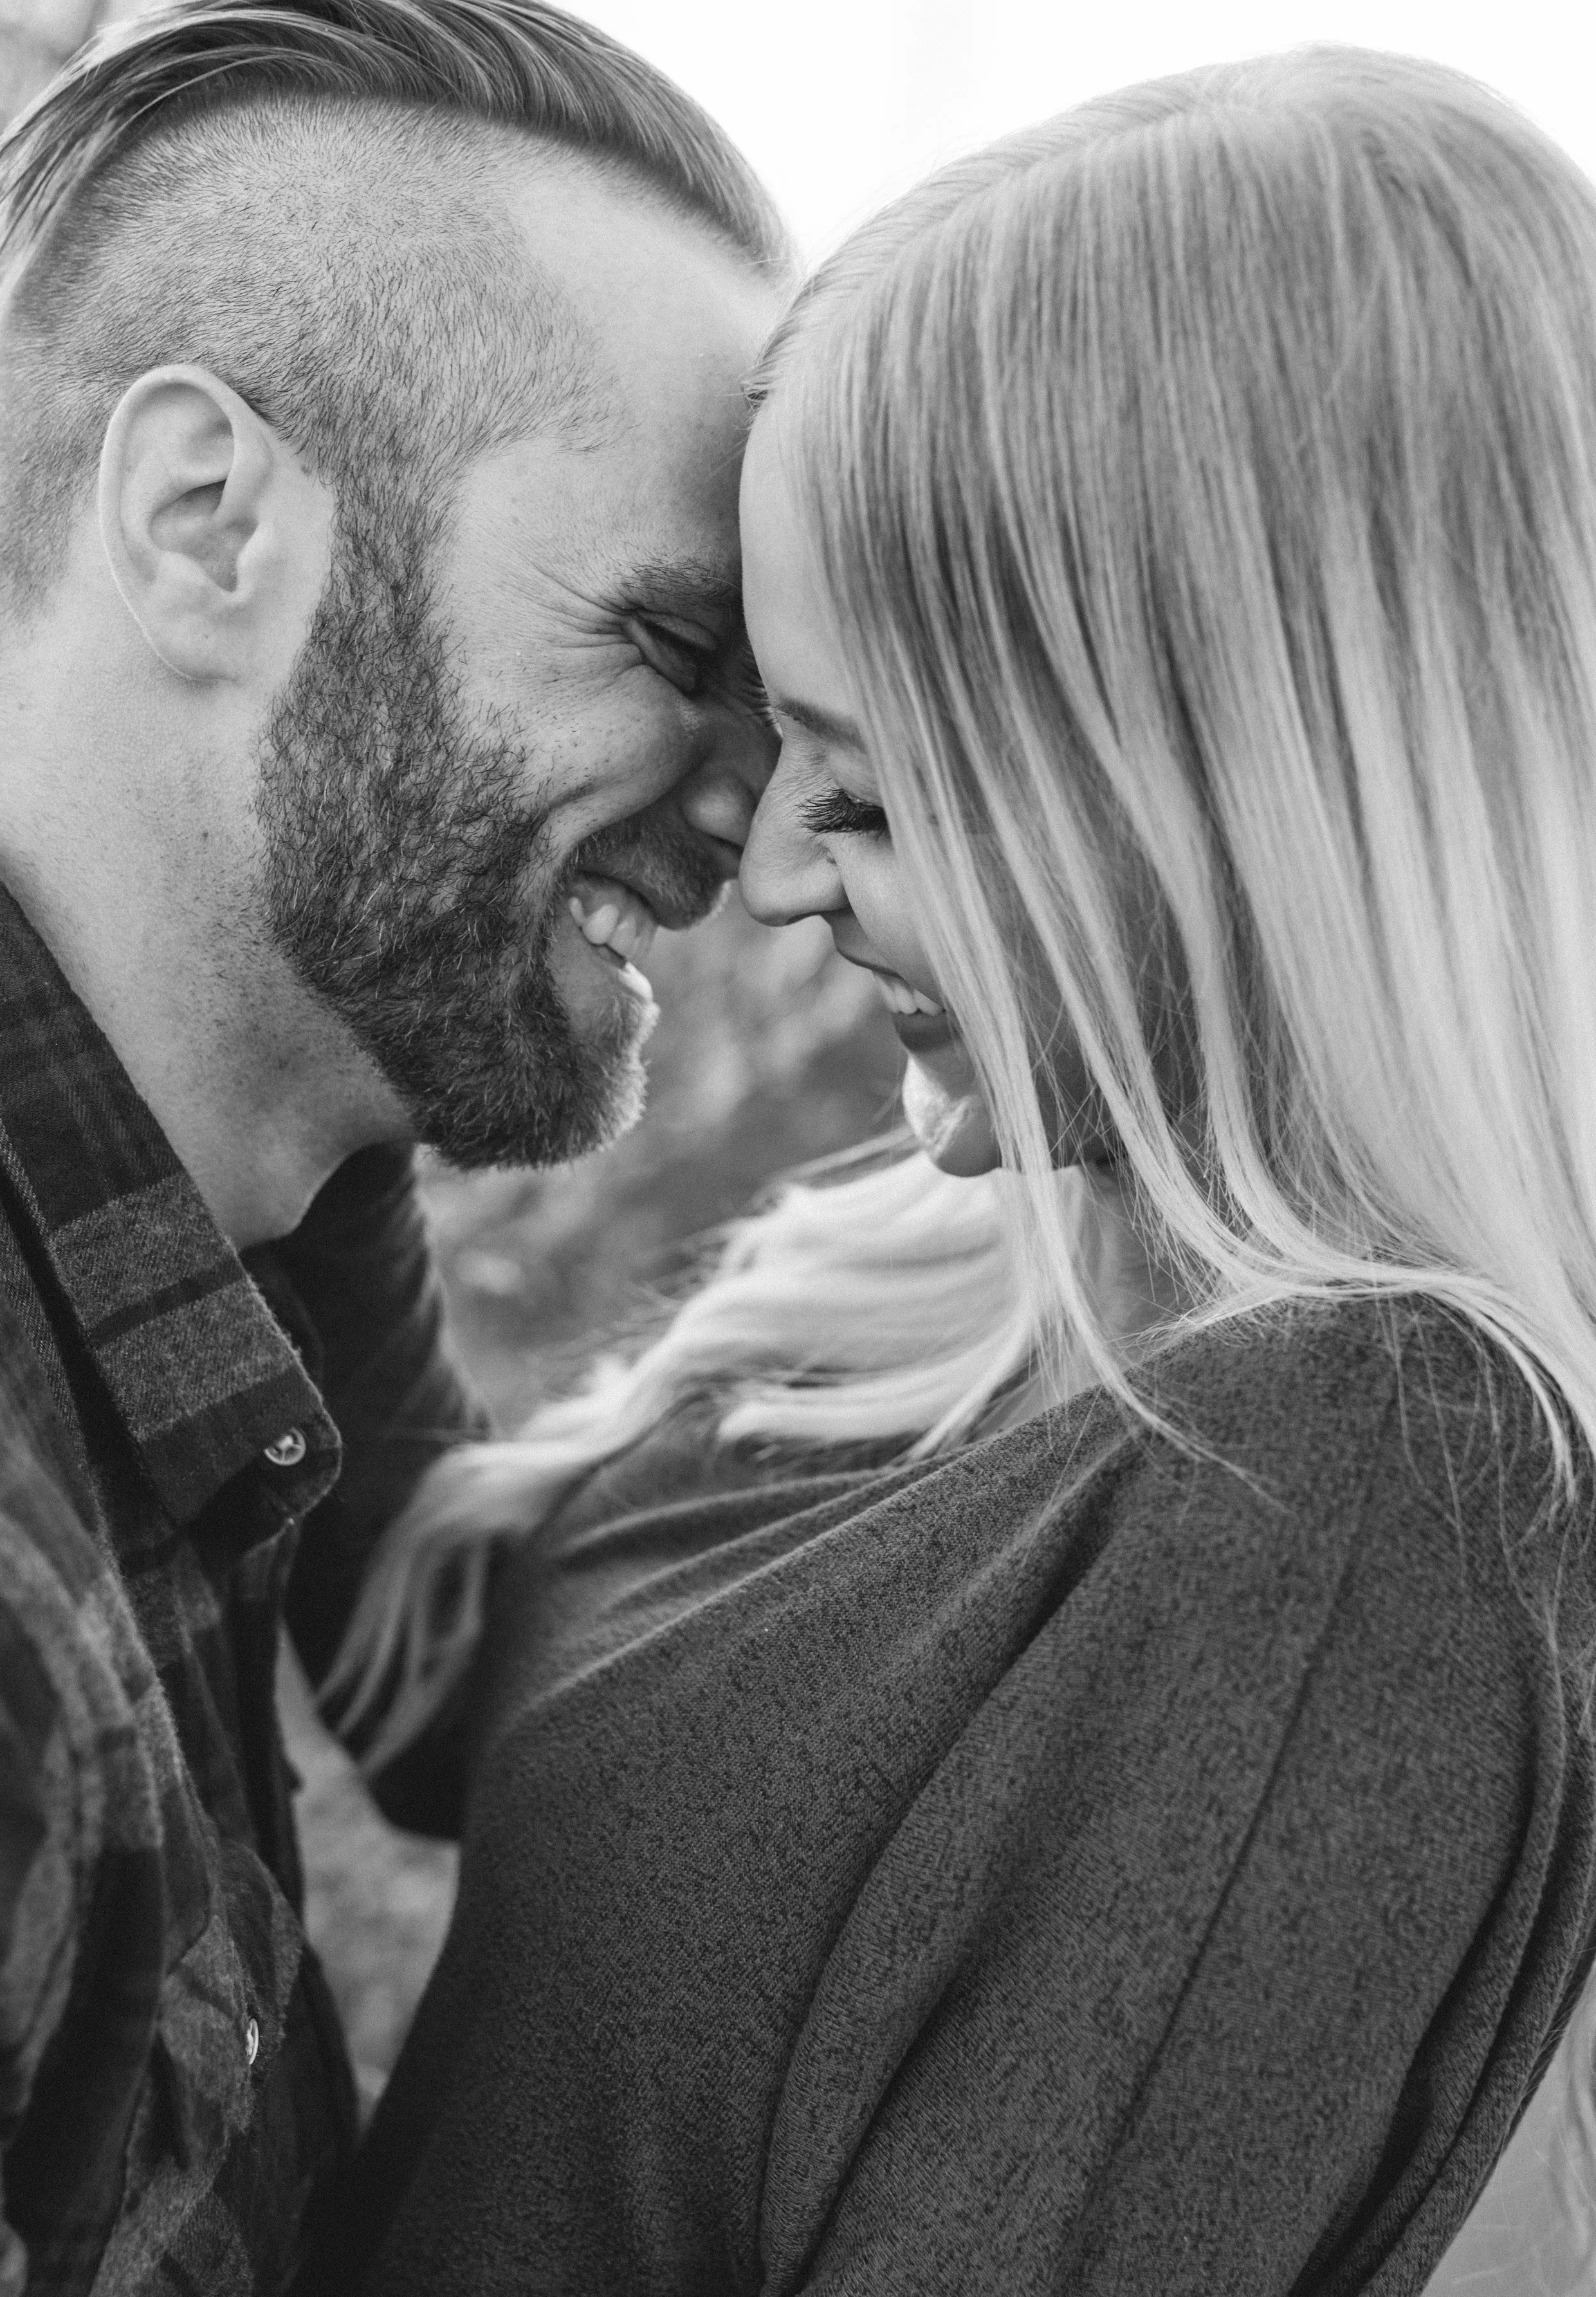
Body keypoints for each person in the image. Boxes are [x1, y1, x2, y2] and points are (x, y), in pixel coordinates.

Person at [319, 45, 1596, 2296]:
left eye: (876, 790)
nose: (771, 877)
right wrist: (297, 1012)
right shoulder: (970, 1254)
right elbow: (465, 1715)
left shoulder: (1364, 1504)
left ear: (1230, 790)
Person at [0, 0, 782, 2287]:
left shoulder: (209, 1233)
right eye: (674, 643)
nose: (765, 829)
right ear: (209, 522)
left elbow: (451, 1709)